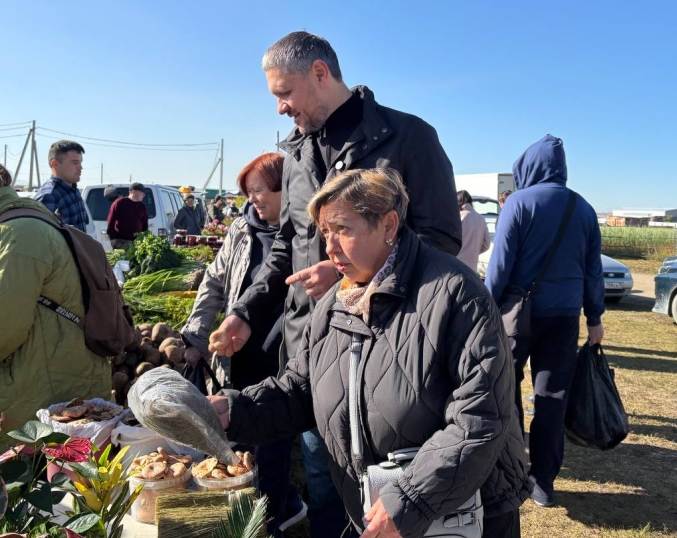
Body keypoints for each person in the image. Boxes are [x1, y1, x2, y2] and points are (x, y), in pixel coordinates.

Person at [211, 31, 462, 537]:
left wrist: (353, 270)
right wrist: (245, 311)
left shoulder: (408, 138)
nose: (280, 108)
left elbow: (440, 239)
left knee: (379, 491)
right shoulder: (297, 155)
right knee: (324, 482)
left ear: (320, 74)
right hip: (313, 350)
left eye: (285, 93)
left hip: (391, 354)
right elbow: (285, 247)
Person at [211, 168, 529, 538]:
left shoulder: (457, 295)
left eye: (342, 229)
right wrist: (236, 410)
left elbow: (479, 419)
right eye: (324, 232)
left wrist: (409, 500)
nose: (328, 247)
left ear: (389, 226)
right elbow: (301, 388)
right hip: (376, 512)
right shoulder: (337, 302)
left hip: (460, 519)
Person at [0, 163, 111, 453]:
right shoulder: (2, 229)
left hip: (38, 388)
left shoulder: (13, 234)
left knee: (38, 480)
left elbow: (1, 322)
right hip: (32, 377)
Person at [180, 153, 305, 537]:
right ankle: (247, 514)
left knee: (273, 445)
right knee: (236, 444)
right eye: (248, 192)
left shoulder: (305, 235)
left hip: (284, 357)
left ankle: (269, 518)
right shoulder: (240, 229)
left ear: (290, 189)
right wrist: (196, 335)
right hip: (237, 356)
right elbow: (214, 282)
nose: (253, 199)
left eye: (260, 191)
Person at [485, 134, 605, 508]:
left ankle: (512, 466)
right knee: (552, 396)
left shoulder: (518, 203)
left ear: (529, 166)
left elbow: (500, 265)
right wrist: (595, 317)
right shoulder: (583, 209)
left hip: (518, 316)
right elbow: (593, 271)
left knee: (506, 388)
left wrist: (484, 308)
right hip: (565, 318)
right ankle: (543, 482)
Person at [34, 140, 90, 232]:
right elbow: (41, 237)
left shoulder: (73, 190)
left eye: (80, 163)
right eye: (75, 162)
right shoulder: (49, 196)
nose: (80, 167)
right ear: (55, 164)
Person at [106, 183, 149, 250]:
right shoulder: (119, 203)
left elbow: (145, 225)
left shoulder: (142, 207)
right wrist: (112, 239)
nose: (144, 195)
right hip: (121, 241)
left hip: (137, 242)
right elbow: (110, 221)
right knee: (122, 260)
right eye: (142, 192)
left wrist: (145, 239)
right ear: (133, 192)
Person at [456, 190, 491, 272]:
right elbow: (486, 244)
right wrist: (473, 252)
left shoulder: (458, 216)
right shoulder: (481, 218)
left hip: (455, 266)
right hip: (472, 269)